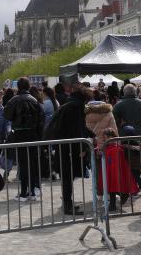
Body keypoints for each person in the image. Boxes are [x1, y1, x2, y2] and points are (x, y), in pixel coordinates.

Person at [45, 74, 92, 215]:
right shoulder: (76, 107)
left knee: (68, 177)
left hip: (64, 145)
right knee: (67, 177)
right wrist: (82, 147)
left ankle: (68, 202)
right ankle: (67, 205)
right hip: (68, 147)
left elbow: (79, 128)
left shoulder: (70, 104)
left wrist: (92, 134)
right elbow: (77, 130)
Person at [4, 77, 44, 202]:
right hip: (32, 134)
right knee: (32, 163)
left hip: (19, 135)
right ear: (28, 86)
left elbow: (7, 115)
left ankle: (23, 192)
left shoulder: (13, 100)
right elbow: (41, 119)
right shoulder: (34, 100)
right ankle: (32, 191)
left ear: (18, 87)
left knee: (22, 164)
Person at [96, 128, 139, 211]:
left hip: (116, 171)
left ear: (112, 137)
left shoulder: (117, 149)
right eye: (105, 138)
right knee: (111, 186)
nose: (105, 139)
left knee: (115, 185)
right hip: (110, 170)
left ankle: (122, 196)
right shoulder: (109, 147)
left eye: (107, 137)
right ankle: (113, 204)